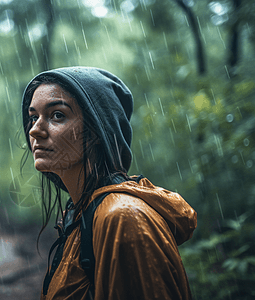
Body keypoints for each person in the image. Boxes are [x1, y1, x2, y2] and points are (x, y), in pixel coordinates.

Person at [21, 66, 197, 300]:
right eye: (34, 117)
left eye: (57, 115)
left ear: (96, 131)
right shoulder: (81, 215)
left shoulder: (123, 218)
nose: (35, 130)